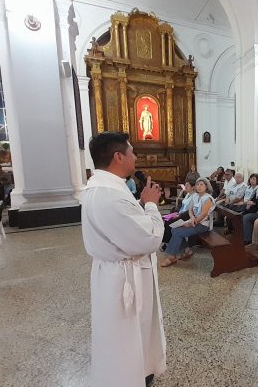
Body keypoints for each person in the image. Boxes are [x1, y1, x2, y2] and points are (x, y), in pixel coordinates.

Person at [81, 132, 166, 387]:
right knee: (128, 332)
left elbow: (124, 227)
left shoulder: (100, 187)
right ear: (118, 157)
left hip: (112, 273)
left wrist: (139, 204)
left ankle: (133, 371)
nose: (136, 157)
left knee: (118, 332)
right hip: (124, 278)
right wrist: (151, 205)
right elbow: (149, 238)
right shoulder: (112, 195)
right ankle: (130, 377)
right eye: (132, 152)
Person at [160, 177, 215, 267]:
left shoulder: (208, 198)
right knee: (174, 229)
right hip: (194, 221)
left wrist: (192, 222)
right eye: (197, 184)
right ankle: (187, 250)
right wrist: (192, 218)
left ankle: (172, 257)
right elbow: (190, 209)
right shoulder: (196, 196)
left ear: (206, 187)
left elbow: (203, 215)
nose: (199, 186)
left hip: (203, 225)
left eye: (202, 184)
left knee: (177, 232)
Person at [160, 179, 196, 250]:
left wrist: (178, 215)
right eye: (185, 185)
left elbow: (190, 211)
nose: (185, 187)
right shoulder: (188, 194)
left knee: (169, 223)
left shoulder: (195, 196)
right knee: (166, 219)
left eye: (187, 185)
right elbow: (182, 205)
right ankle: (168, 241)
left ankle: (167, 243)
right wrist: (175, 213)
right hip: (181, 214)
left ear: (193, 187)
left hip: (186, 216)